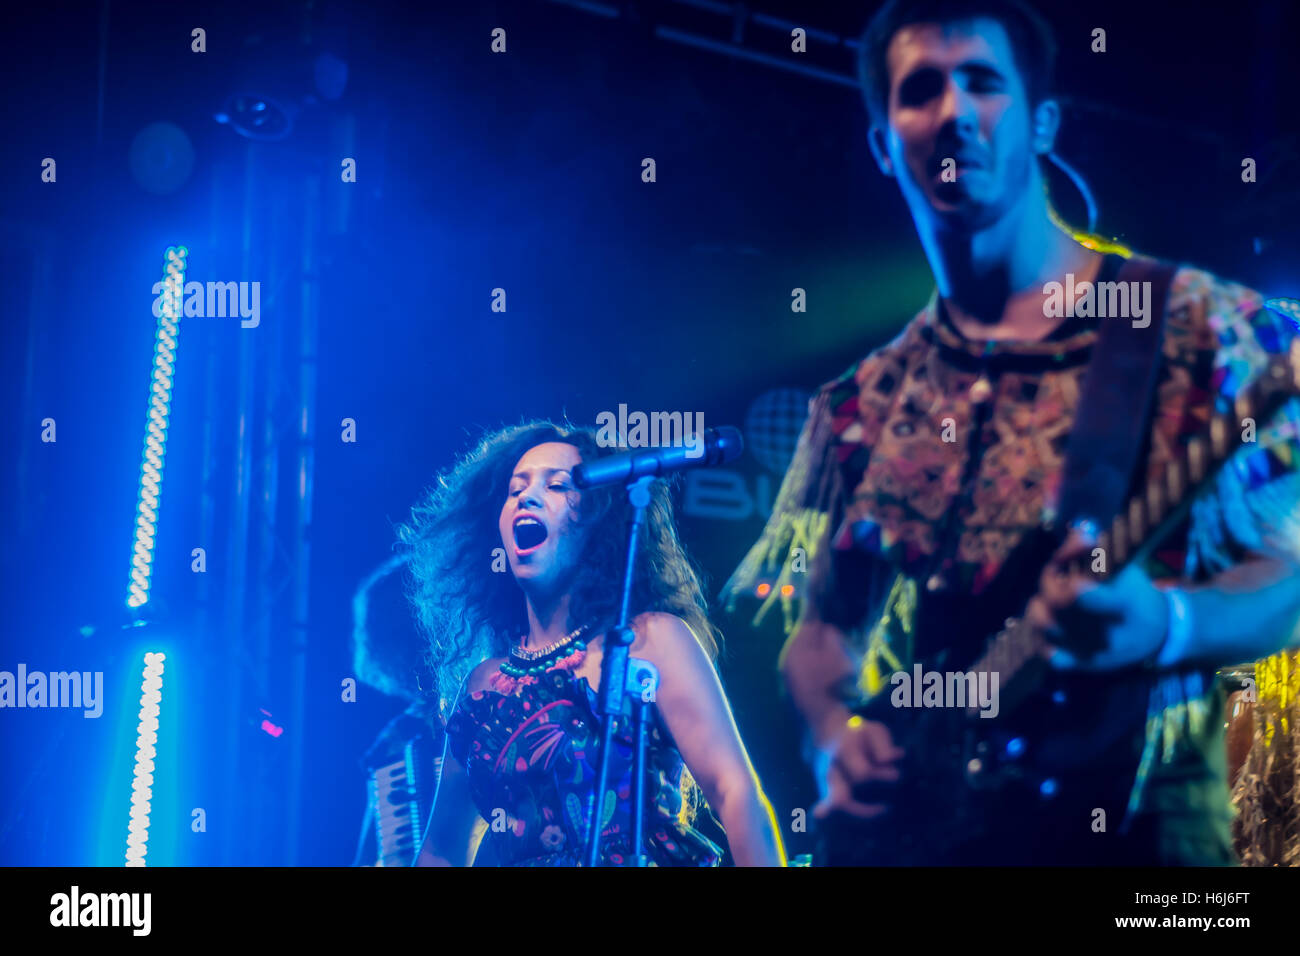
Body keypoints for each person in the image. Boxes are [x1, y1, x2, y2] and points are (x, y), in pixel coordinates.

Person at [726, 0, 1300, 864]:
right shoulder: (866, 399)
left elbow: (1289, 577)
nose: (955, 112)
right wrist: (831, 734)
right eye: (921, 90)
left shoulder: (1193, 332)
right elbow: (821, 637)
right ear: (884, 140)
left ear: (1043, 123)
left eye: (984, 82)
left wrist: (1169, 625)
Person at [398, 421, 785, 866]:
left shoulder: (650, 640)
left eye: (558, 485)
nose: (527, 495)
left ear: (598, 518)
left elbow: (734, 791)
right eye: (514, 489)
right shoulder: (484, 686)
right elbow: (440, 850)